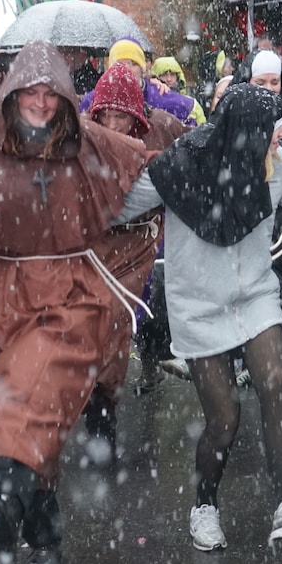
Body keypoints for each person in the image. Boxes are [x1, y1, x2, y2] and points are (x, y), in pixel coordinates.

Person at [0, 39, 151, 564]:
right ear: (10, 93)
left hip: (70, 297)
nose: (40, 102)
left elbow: (154, 175)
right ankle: (43, 534)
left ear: (64, 96)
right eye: (29, 92)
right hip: (5, 300)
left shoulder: (91, 145)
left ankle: (3, 495)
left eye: (50, 92)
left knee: (27, 400)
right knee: (29, 405)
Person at [114, 83, 282, 551]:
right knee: (224, 419)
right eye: (274, 128)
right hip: (198, 307)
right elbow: (119, 208)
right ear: (247, 132)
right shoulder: (177, 167)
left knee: (275, 385)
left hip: (255, 296)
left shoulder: (277, 168)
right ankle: (204, 505)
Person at [80, 62, 187, 454]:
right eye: (105, 112)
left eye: (120, 114)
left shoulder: (151, 147)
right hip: (90, 250)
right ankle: (94, 406)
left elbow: (180, 163)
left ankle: (103, 414)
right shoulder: (80, 143)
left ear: (135, 116)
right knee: (88, 332)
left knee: (114, 330)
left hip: (136, 248)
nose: (112, 121)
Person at [79, 39, 205, 127]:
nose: (127, 69)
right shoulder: (92, 100)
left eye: (133, 64)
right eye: (120, 64)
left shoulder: (164, 98)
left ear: (142, 68)